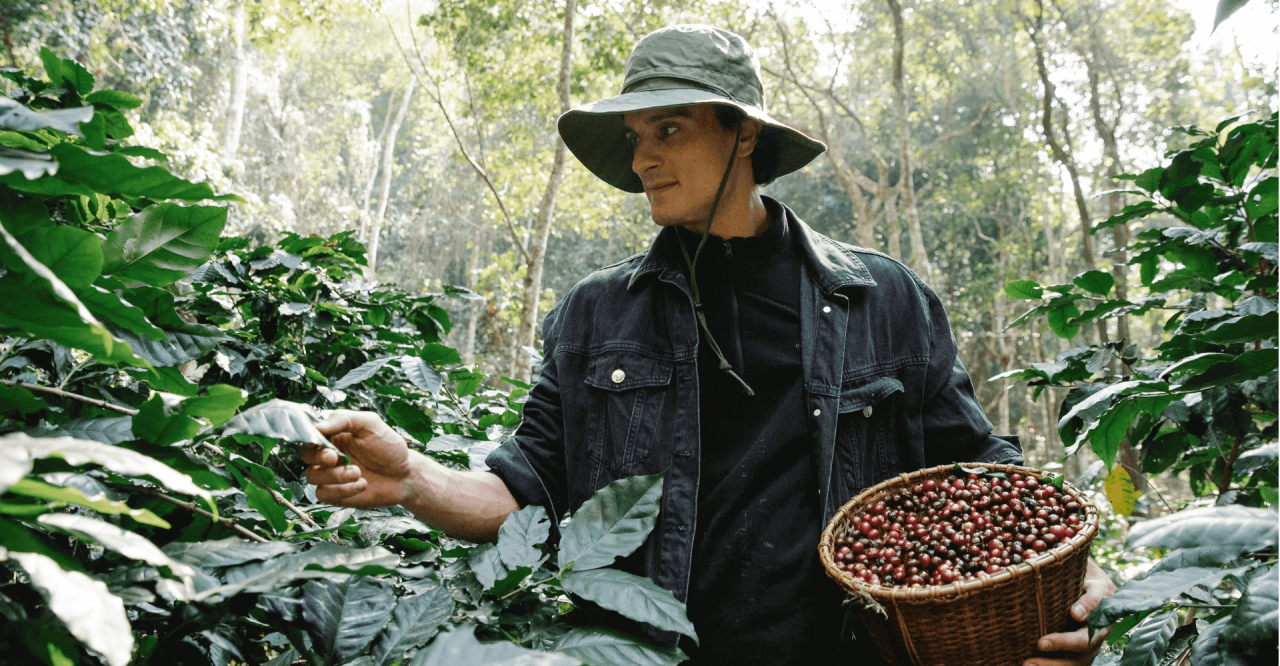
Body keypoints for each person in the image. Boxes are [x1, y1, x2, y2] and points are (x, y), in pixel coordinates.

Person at [302, 24, 1114, 666]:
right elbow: (524, 491)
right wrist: (410, 478)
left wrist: (1078, 580)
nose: (643, 157)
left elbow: (983, 475)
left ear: (744, 134)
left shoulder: (884, 300)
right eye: (634, 136)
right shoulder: (596, 316)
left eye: (669, 127)